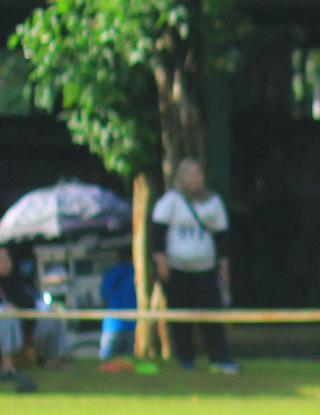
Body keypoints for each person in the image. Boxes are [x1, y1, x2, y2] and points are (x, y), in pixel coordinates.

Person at [151, 158, 238, 374]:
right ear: (181, 177)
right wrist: (161, 262)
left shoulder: (213, 201)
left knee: (211, 315)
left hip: (206, 269)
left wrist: (224, 267)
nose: (195, 178)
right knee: (180, 317)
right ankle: (185, 359)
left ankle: (219, 358)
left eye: (198, 174)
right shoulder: (171, 201)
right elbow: (157, 234)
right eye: (190, 174)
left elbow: (222, 236)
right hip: (177, 269)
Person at [0, 246, 70, 390]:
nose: (4, 262)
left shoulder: (21, 283)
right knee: (8, 318)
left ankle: (52, 358)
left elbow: (31, 304)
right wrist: (2, 309)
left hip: (26, 328)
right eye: (0, 258)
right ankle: (8, 364)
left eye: (7, 258)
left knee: (51, 317)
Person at [97, 255, 139, 369]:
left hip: (113, 323)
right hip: (133, 323)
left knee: (106, 362)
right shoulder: (137, 273)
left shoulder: (112, 273)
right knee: (129, 363)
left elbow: (104, 293)